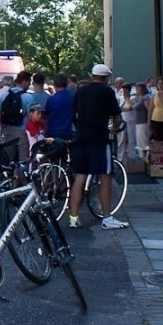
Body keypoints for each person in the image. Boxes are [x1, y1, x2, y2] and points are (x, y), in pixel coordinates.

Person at [66, 64, 129, 230]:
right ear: (106, 78)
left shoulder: (81, 91)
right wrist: (114, 129)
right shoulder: (107, 92)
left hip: (80, 139)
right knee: (105, 177)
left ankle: (73, 217)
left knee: (79, 177)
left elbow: (76, 114)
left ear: (93, 76)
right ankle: (107, 217)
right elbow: (117, 118)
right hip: (99, 141)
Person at [0, 70, 34, 162]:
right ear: (24, 82)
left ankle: (7, 175)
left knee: (8, 159)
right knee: (23, 159)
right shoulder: (28, 97)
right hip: (22, 131)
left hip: (8, 131)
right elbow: (31, 117)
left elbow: (0, 115)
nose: (29, 84)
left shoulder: (5, 95)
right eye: (29, 82)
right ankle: (22, 175)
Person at [43, 73, 75, 140]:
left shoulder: (51, 99)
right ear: (67, 83)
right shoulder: (72, 98)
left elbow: (45, 114)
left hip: (53, 132)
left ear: (54, 84)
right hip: (68, 132)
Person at [116, 83, 136, 161]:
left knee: (131, 140)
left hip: (131, 120)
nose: (124, 92)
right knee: (121, 140)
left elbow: (130, 108)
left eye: (126, 90)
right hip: (122, 120)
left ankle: (132, 157)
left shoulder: (132, 98)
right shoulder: (120, 98)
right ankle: (121, 158)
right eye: (123, 90)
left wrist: (127, 98)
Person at [133, 83, 152, 159]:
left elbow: (149, 109)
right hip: (138, 122)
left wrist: (149, 121)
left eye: (138, 88)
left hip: (143, 122)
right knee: (140, 142)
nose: (137, 90)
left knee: (143, 142)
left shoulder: (145, 98)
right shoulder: (139, 98)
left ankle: (146, 160)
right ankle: (143, 160)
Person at [151, 76, 163, 141]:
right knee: (157, 138)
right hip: (156, 119)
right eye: (158, 83)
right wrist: (149, 120)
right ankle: (159, 151)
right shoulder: (155, 95)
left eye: (162, 83)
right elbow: (150, 108)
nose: (160, 85)